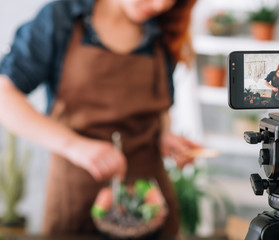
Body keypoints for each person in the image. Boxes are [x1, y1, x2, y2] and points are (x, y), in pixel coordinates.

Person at [0, 0, 199, 237]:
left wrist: (166, 135)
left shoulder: (163, 26)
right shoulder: (62, 18)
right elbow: (5, 95)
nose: (159, 5)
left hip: (150, 196)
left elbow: (161, 105)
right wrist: (74, 146)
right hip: (77, 195)